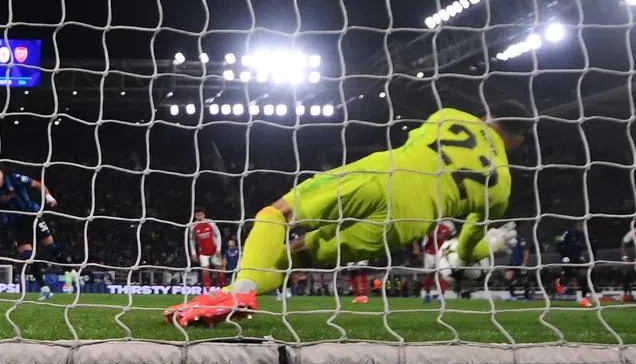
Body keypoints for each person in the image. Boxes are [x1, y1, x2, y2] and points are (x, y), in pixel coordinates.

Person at [165, 102, 528, 326]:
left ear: (485, 114)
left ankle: (239, 290)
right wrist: (486, 246)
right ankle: (233, 294)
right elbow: (466, 249)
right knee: (295, 258)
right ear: (519, 141)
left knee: (275, 215)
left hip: (380, 175)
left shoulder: (449, 116)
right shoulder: (502, 187)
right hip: (408, 220)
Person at [0, 166, 59, 301]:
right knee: (27, 256)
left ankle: (72, 270)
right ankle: (44, 289)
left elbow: (38, 184)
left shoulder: (15, 178)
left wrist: (49, 197)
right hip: (16, 224)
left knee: (51, 247)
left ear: (2, 174)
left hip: (32, 216)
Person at [187, 207, 223, 290]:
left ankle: (221, 285)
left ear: (204, 215)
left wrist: (218, 248)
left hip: (214, 250)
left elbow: (218, 235)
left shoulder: (210, 222)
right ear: (195, 216)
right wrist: (193, 253)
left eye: (201, 214)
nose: (199, 216)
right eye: (197, 215)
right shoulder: (193, 226)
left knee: (219, 268)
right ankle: (207, 288)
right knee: (205, 269)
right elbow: (192, 240)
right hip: (203, 252)